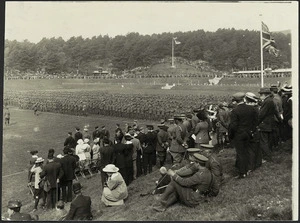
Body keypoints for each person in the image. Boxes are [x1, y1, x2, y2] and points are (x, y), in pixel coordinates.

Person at [153, 153, 218, 212]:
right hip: (200, 197)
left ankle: (162, 201)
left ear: (198, 164)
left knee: (174, 182)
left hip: (193, 201)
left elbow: (185, 182)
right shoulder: (210, 173)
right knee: (179, 187)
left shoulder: (199, 175)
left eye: (195, 162)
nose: (194, 164)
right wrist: (206, 197)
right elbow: (216, 190)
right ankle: (165, 205)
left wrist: (173, 174)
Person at [229, 92, 258, 179]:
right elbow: (255, 121)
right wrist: (252, 130)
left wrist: (231, 135)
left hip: (239, 134)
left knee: (241, 153)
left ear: (236, 101)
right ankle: (248, 168)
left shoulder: (235, 111)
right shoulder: (251, 109)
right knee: (247, 151)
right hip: (249, 133)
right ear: (243, 99)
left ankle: (242, 173)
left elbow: (233, 126)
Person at [258, 88, 280, 163]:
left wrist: (256, 123)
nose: (260, 96)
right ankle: (268, 155)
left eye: (261, 95)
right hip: (270, 123)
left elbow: (261, 114)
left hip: (265, 124)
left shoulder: (267, 101)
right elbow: (276, 112)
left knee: (263, 141)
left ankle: (267, 157)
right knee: (268, 141)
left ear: (265, 95)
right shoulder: (271, 100)